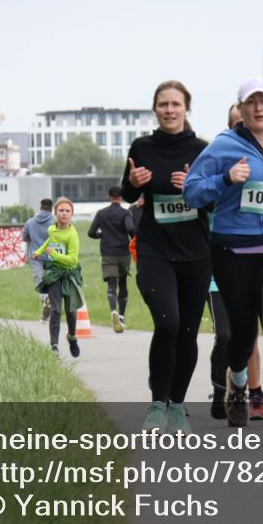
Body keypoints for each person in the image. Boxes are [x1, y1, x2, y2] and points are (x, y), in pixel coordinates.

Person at [185, 77, 263, 442]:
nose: (258, 108)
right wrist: (225, 177)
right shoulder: (223, 147)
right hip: (231, 252)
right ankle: (238, 383)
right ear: (240, 110)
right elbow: (192, 192)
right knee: (241, 333)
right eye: (250, 103)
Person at [123, 80, 211, 435]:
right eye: (163, 104)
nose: (170, 110)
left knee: (188, 331)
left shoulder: (204, 149)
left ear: (187, 108)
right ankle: (157, 404)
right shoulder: (142, 147)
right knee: (168, 323)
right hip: (154, 248)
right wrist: (132, 180)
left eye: (176, 104)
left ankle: (177, 404)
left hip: (195, 251)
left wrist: (195, 186)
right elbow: (130, 191)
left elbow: (215, 198)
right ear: (155, 109)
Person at [207, 103, 263, 421]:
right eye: (238, 124)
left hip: (257, 260)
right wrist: (225, 179)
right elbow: (196, 197)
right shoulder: (219, 159)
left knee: (251, 331)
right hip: (220, 266)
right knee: (227, 334)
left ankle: (253, 391)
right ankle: (225, 388)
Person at [33, 197, 84, 356]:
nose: (64, 214)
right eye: (61, 210)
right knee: (55, 310)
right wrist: (39, 251)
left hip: (69, 274)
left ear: (72, 214)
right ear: (55, 213)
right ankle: (54, 345)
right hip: (54, 273)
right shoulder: (52, 229)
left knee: (70, 311)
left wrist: (54, 255)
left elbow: (73, 260)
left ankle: (72, 337)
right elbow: (50, 241)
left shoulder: (72, 235)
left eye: (67, 211)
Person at [89, 186, 135, 333]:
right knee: (123, 284)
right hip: (123, 252)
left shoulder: (101, 214)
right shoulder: (126, 212)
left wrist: (101, 235)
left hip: (108, 252)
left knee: (111, 286)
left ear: (109, 196)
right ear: (120, 197)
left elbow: (91, 232)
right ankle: (121, 317)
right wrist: (132, 237)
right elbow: (130, 229)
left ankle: (113, 311)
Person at [22, 199, 55, 321]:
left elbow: (25, 238)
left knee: (39, 280)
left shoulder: (29, 222)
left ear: (40, 207)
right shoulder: (55, 222)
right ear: (51, 209)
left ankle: (45, 300)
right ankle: (49, 306)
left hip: (35, 255)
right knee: (52, 282)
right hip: (52, 255)